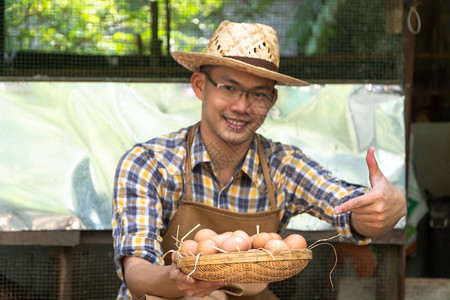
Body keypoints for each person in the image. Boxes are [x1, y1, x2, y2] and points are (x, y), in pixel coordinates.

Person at [112, 20, 406, 300]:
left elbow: (346, 207)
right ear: (200, 85)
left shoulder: (283, 166)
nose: (241, 106)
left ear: (272, 100)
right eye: (229, 87)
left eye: (258, 94)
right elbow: (136, 271)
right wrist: (179, 280)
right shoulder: (149, 163)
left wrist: (382, 210)